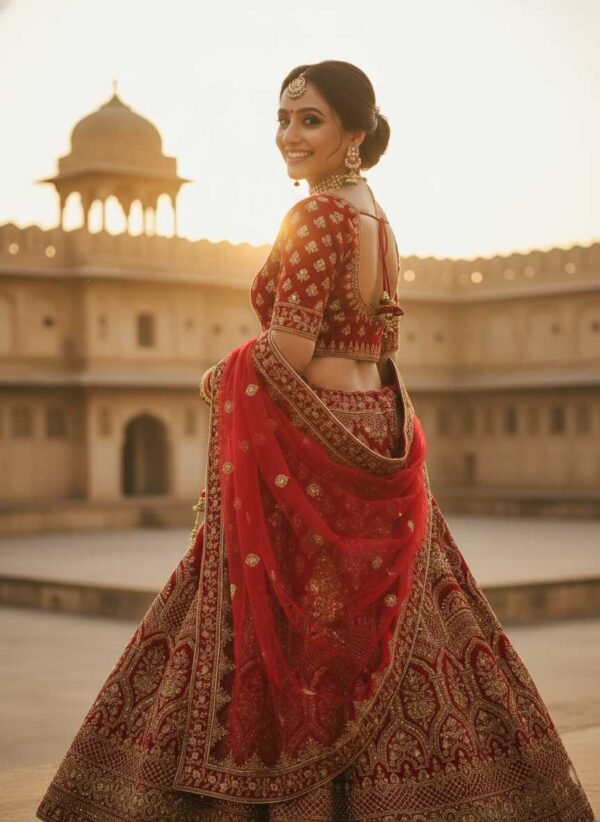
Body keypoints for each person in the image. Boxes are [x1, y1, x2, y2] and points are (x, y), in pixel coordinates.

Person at [37, 60, 594, 822]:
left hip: (317, 435)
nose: (289, 135)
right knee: (400, 614)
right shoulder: (374, 217)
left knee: (289, 629)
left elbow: (289, 350)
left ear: (354, 134)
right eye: (284, 117)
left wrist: (219, 376)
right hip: (377, 426)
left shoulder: (316, 218)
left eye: (311, 120)